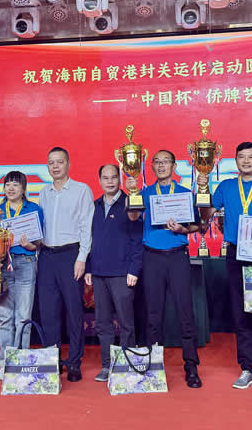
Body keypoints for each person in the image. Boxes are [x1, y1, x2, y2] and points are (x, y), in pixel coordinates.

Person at [199, 142, 252, 392]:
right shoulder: (226, 187)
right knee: (241, 312)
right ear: (235, 160)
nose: (246, 161)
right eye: (241, 157)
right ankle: (247, 368)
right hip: (236, 253)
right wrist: (203, 190)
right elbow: (206, 215)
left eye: (251, 157)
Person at [126, 150, 204, 388]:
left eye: (165, 162)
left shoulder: (185, 193)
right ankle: (153, 366)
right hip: (152, 258)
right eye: (157, 162)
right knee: (153, 315)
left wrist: (182, 230)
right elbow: (133, 218)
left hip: (178, 256)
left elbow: (197, 226)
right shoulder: (144, 193)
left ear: (174, 166)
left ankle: (191, 366)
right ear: (151, 167)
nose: (161, 166)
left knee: (185, 313)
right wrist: (131, 193)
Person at [37, 147, 94, 382]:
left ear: (68, 164)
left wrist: (82, 257)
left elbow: (87, 226)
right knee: (48, 312)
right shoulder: (44, 192)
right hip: (46, 256)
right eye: (51, 162)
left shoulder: (82, 190)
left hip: (71, 255)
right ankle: (52, 359)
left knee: (73, 311)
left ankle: (74, 362)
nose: (55, 166)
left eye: (60, 162)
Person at [85, 164, 143, 382]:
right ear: (99, 180)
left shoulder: (131, 203)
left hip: (122, 273)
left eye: (113, 177)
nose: (109, 181)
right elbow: (88, 239)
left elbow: (137, 240)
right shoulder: (94, 205)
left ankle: (127, 364)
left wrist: (134, 269)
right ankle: (107, 365)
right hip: (99, 273)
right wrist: (89, 267)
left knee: (126, 322)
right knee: (102, 323)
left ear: (120, 179)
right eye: (105, 178)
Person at [0, 170, 43, 381]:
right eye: (7, 184)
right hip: (4, 265)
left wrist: (31, 245)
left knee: (23, 315)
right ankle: (5, 362)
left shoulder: (34, 209)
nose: (11, 188)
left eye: (15, 184)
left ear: (24, 188)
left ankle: (21, 360)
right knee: (4, 316)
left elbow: (40, 241)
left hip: (26, 262)